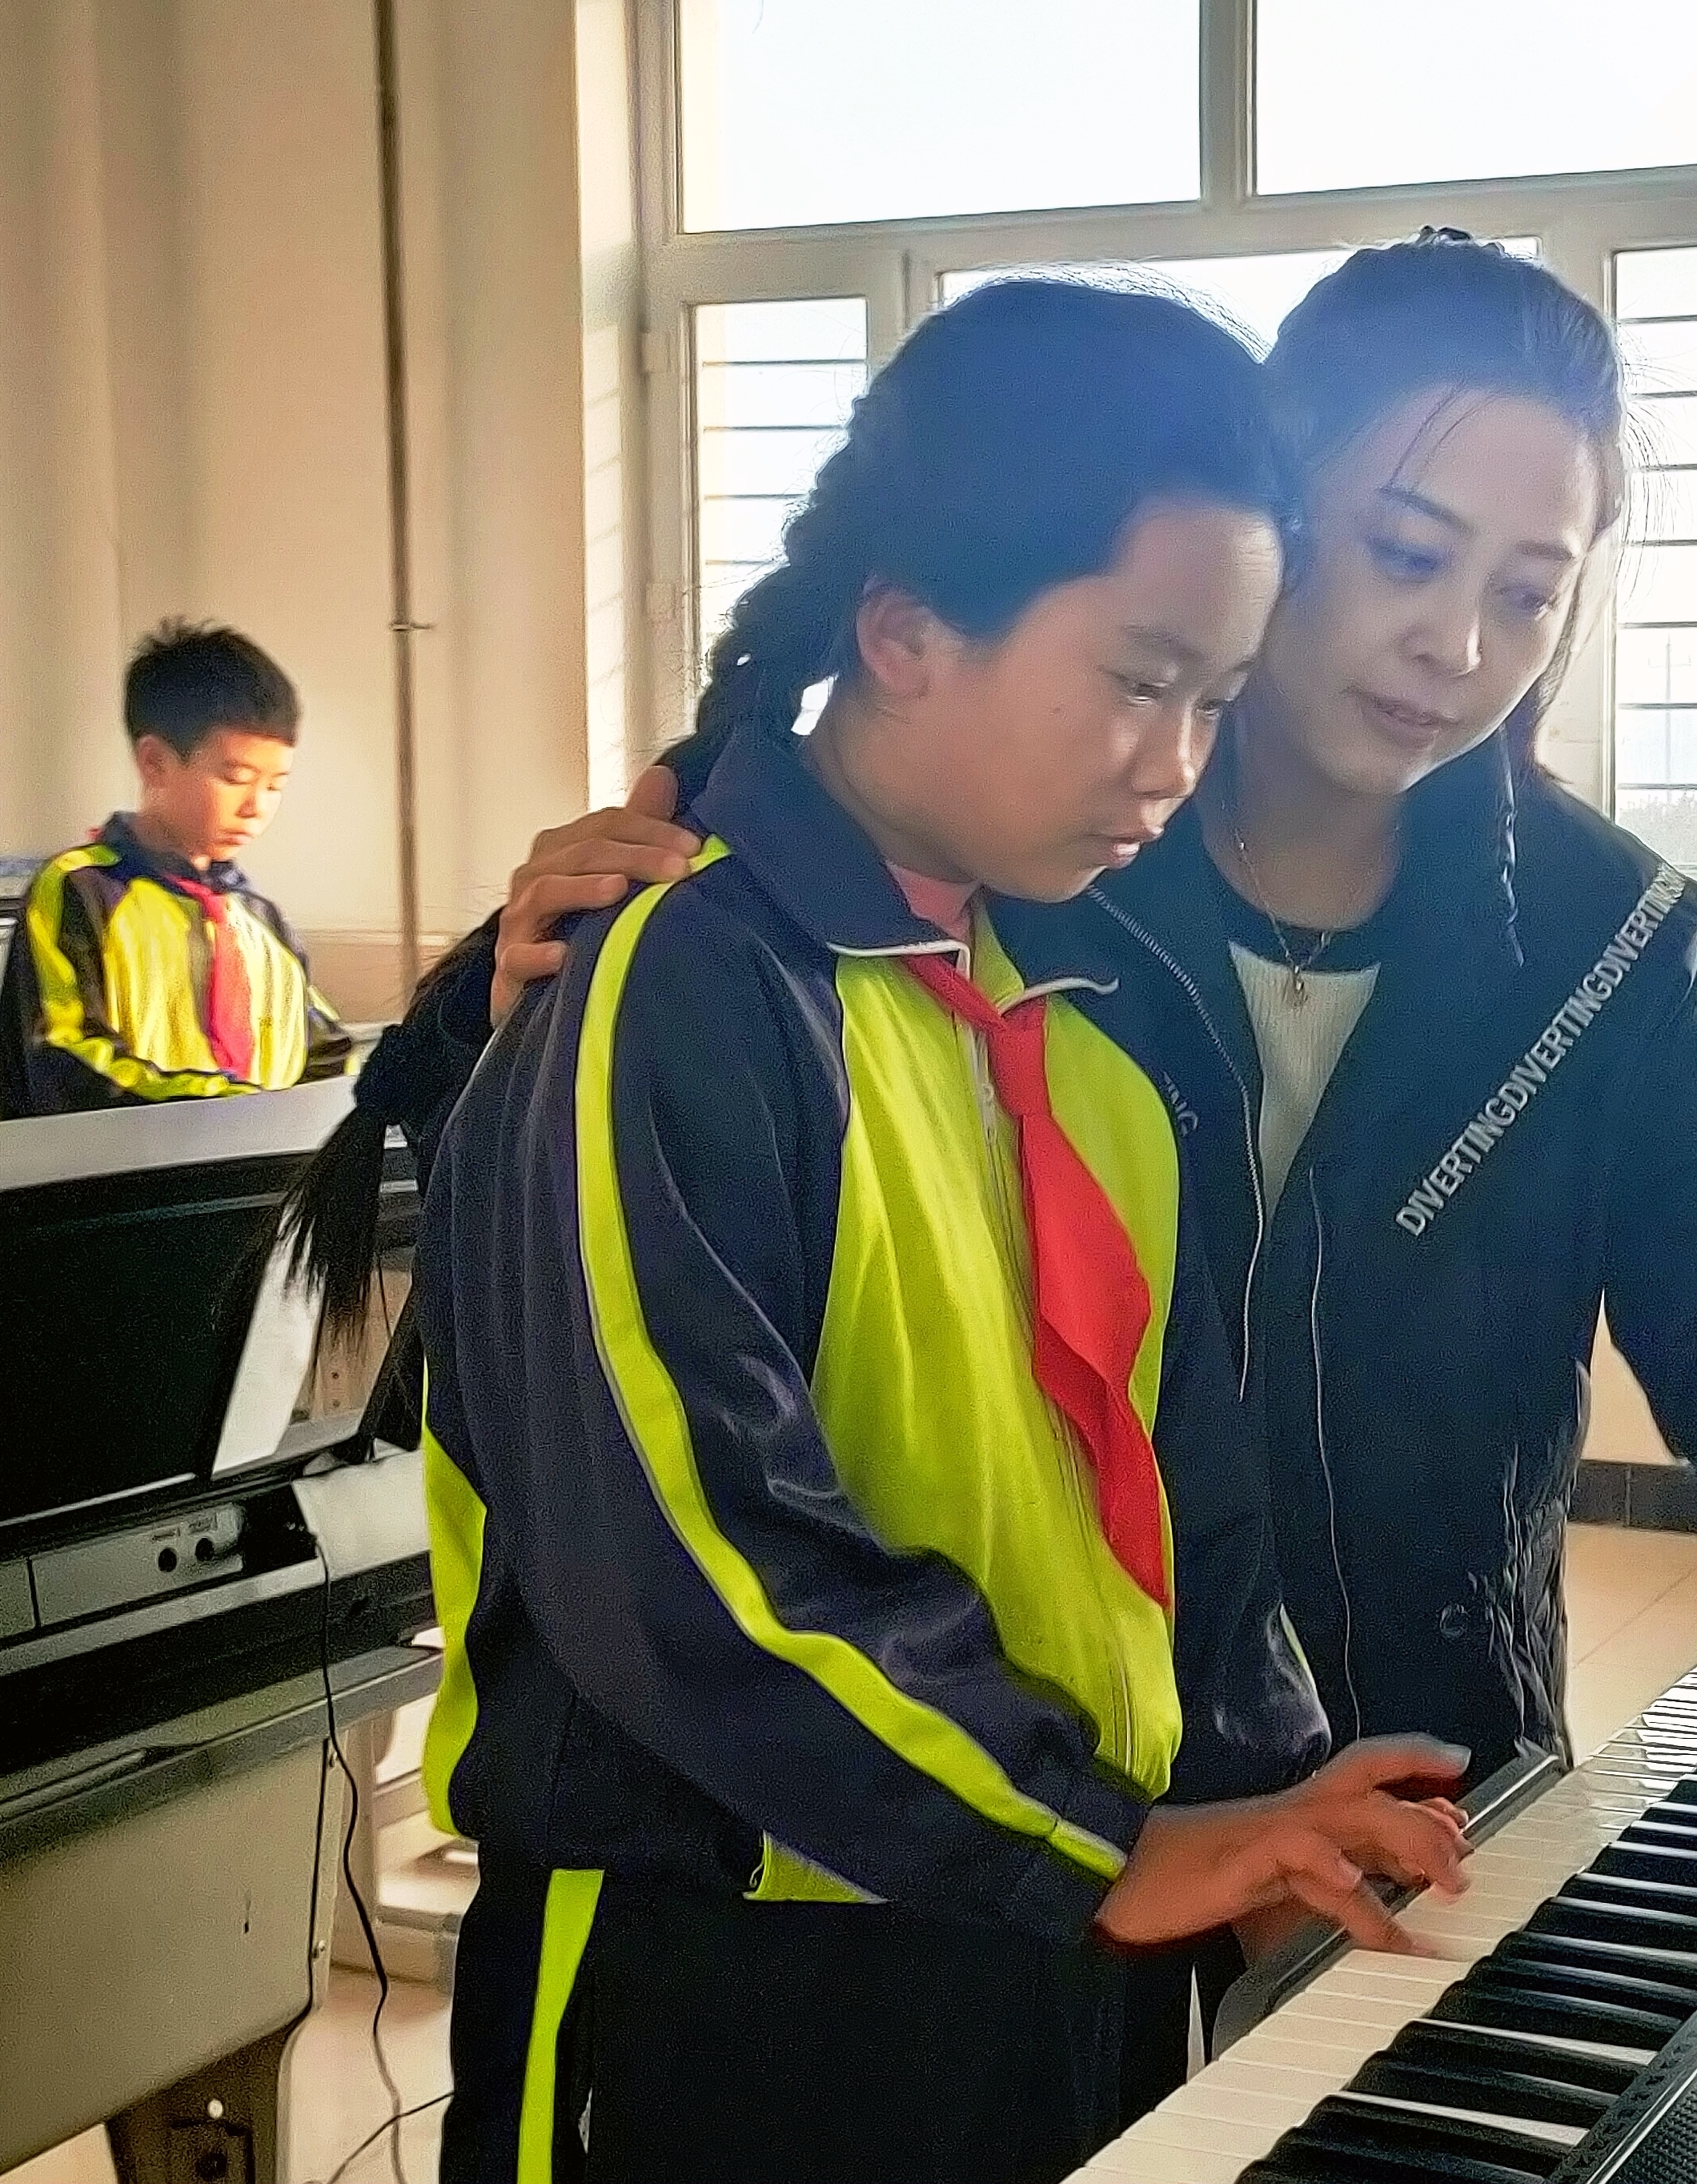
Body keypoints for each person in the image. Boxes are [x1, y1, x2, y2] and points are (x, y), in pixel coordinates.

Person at [375, 237, 1697, 2108]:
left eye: (1525, 590)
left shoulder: (1591, 933)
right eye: (1402, 553)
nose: (1455, 644)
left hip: (1384, 1775)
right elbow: (643, 1396)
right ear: (1266, 509)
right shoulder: (1014, 871)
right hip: (924, 1849)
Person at [404, 279, 1467, 2184]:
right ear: (902, 629)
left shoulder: (1090, 1005)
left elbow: (1177, 1493)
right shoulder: (674, 986)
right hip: (731, 1989)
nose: (1175, 759)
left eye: (1215, 700)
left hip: (1043, 1924)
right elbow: (690, 1563)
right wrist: (1085, 1842)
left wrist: (1249, 1801)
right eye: (1138, 678)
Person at [0, 619, 344, 1115]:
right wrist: (236, 1111)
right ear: (155, 762)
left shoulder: (260, 920)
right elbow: (68, 1060)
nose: (257, 806)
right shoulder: (82, 891)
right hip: (129, 1183)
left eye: (276, 785)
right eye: (236, 777)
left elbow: (327, 1055)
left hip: (250, 1180)